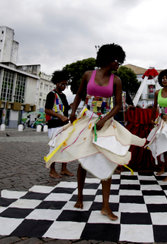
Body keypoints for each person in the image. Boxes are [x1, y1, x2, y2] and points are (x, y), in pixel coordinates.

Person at [45, 43, 146, 221]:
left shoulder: (117, 80)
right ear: (109, 59)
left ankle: (105, 206)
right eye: (117, 61)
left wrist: (104, 120)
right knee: (82, 159)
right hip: (86, 119)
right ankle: (80, 198)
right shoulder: (87, 75)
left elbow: (117, 105)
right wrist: (73, 112)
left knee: (107, 160)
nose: (118, 64)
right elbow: (77, 95)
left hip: (105, 123)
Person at [44, 70, 74, 179]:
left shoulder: (64, 96)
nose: (64, 86)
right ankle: (52, 170)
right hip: (54, 125)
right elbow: (47, 109)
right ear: (57, 83)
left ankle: (63, 169)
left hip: (64, 125)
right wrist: (59, 116)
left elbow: (66, 109)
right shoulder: (51, 95)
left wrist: (73, 105)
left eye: (66, 84)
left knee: (65, 147)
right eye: (62, 84)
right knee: (54, 148)